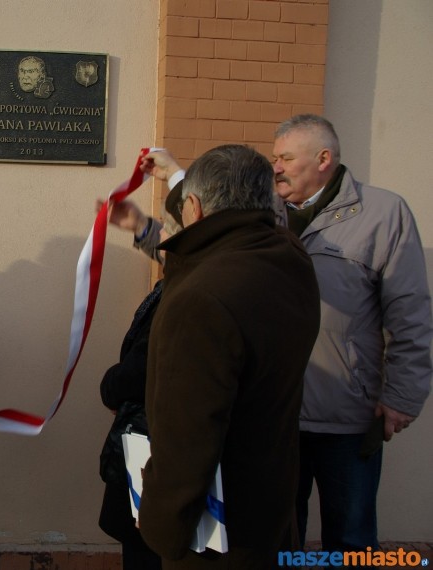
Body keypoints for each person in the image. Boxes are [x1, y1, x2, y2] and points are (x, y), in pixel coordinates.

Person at [137, 144, 321, 568]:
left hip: (218, 532)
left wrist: (163, 527)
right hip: (270, 506)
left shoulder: (203, 298)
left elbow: (189, 435)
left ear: (195, 209)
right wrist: (175, 177)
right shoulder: (289, 258)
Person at [272, 114, 433, 553]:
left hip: (348, 414)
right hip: (278, 413)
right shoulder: (266, 215)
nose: (276, 168)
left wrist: (402, 395)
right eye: (274, 158)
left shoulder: (384, 213)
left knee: (351, 540)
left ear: (323, 159)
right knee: (281, 537)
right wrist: (149, 232)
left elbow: (411, 312)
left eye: (285, 158)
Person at [97, 167, 184, 570]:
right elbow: (179, 251)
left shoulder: (198, 282)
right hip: (155, 436)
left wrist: (113, 388)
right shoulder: (211, 262)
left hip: (159, 441)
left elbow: (147, 365)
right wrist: (139, 225)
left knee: (147, 550)